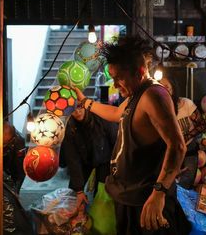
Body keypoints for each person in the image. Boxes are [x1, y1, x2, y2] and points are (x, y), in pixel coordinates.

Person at [75, 36, 191, 234]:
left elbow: (178, 146)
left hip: (146, 202)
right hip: (129, 197)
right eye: (112, 77)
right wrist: (86, 102)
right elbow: (115, 114)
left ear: (140, 72)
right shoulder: (136, 94)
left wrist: (159, 194)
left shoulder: (154, 95)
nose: (115, 84)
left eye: (119, 77)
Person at [60, 107, 118, 210]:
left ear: (85, 106)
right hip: (84, 159)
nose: (77, 112)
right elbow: (72, 158)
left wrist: (116, 168)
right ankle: (76, 218)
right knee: (74, 192)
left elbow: (116, 141)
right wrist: (79, 190)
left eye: (79, 108)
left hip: (104, 158)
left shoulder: (100, 116)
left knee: (102, 191)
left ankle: (100, 216)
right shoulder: (68, 127)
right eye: (73, 110)